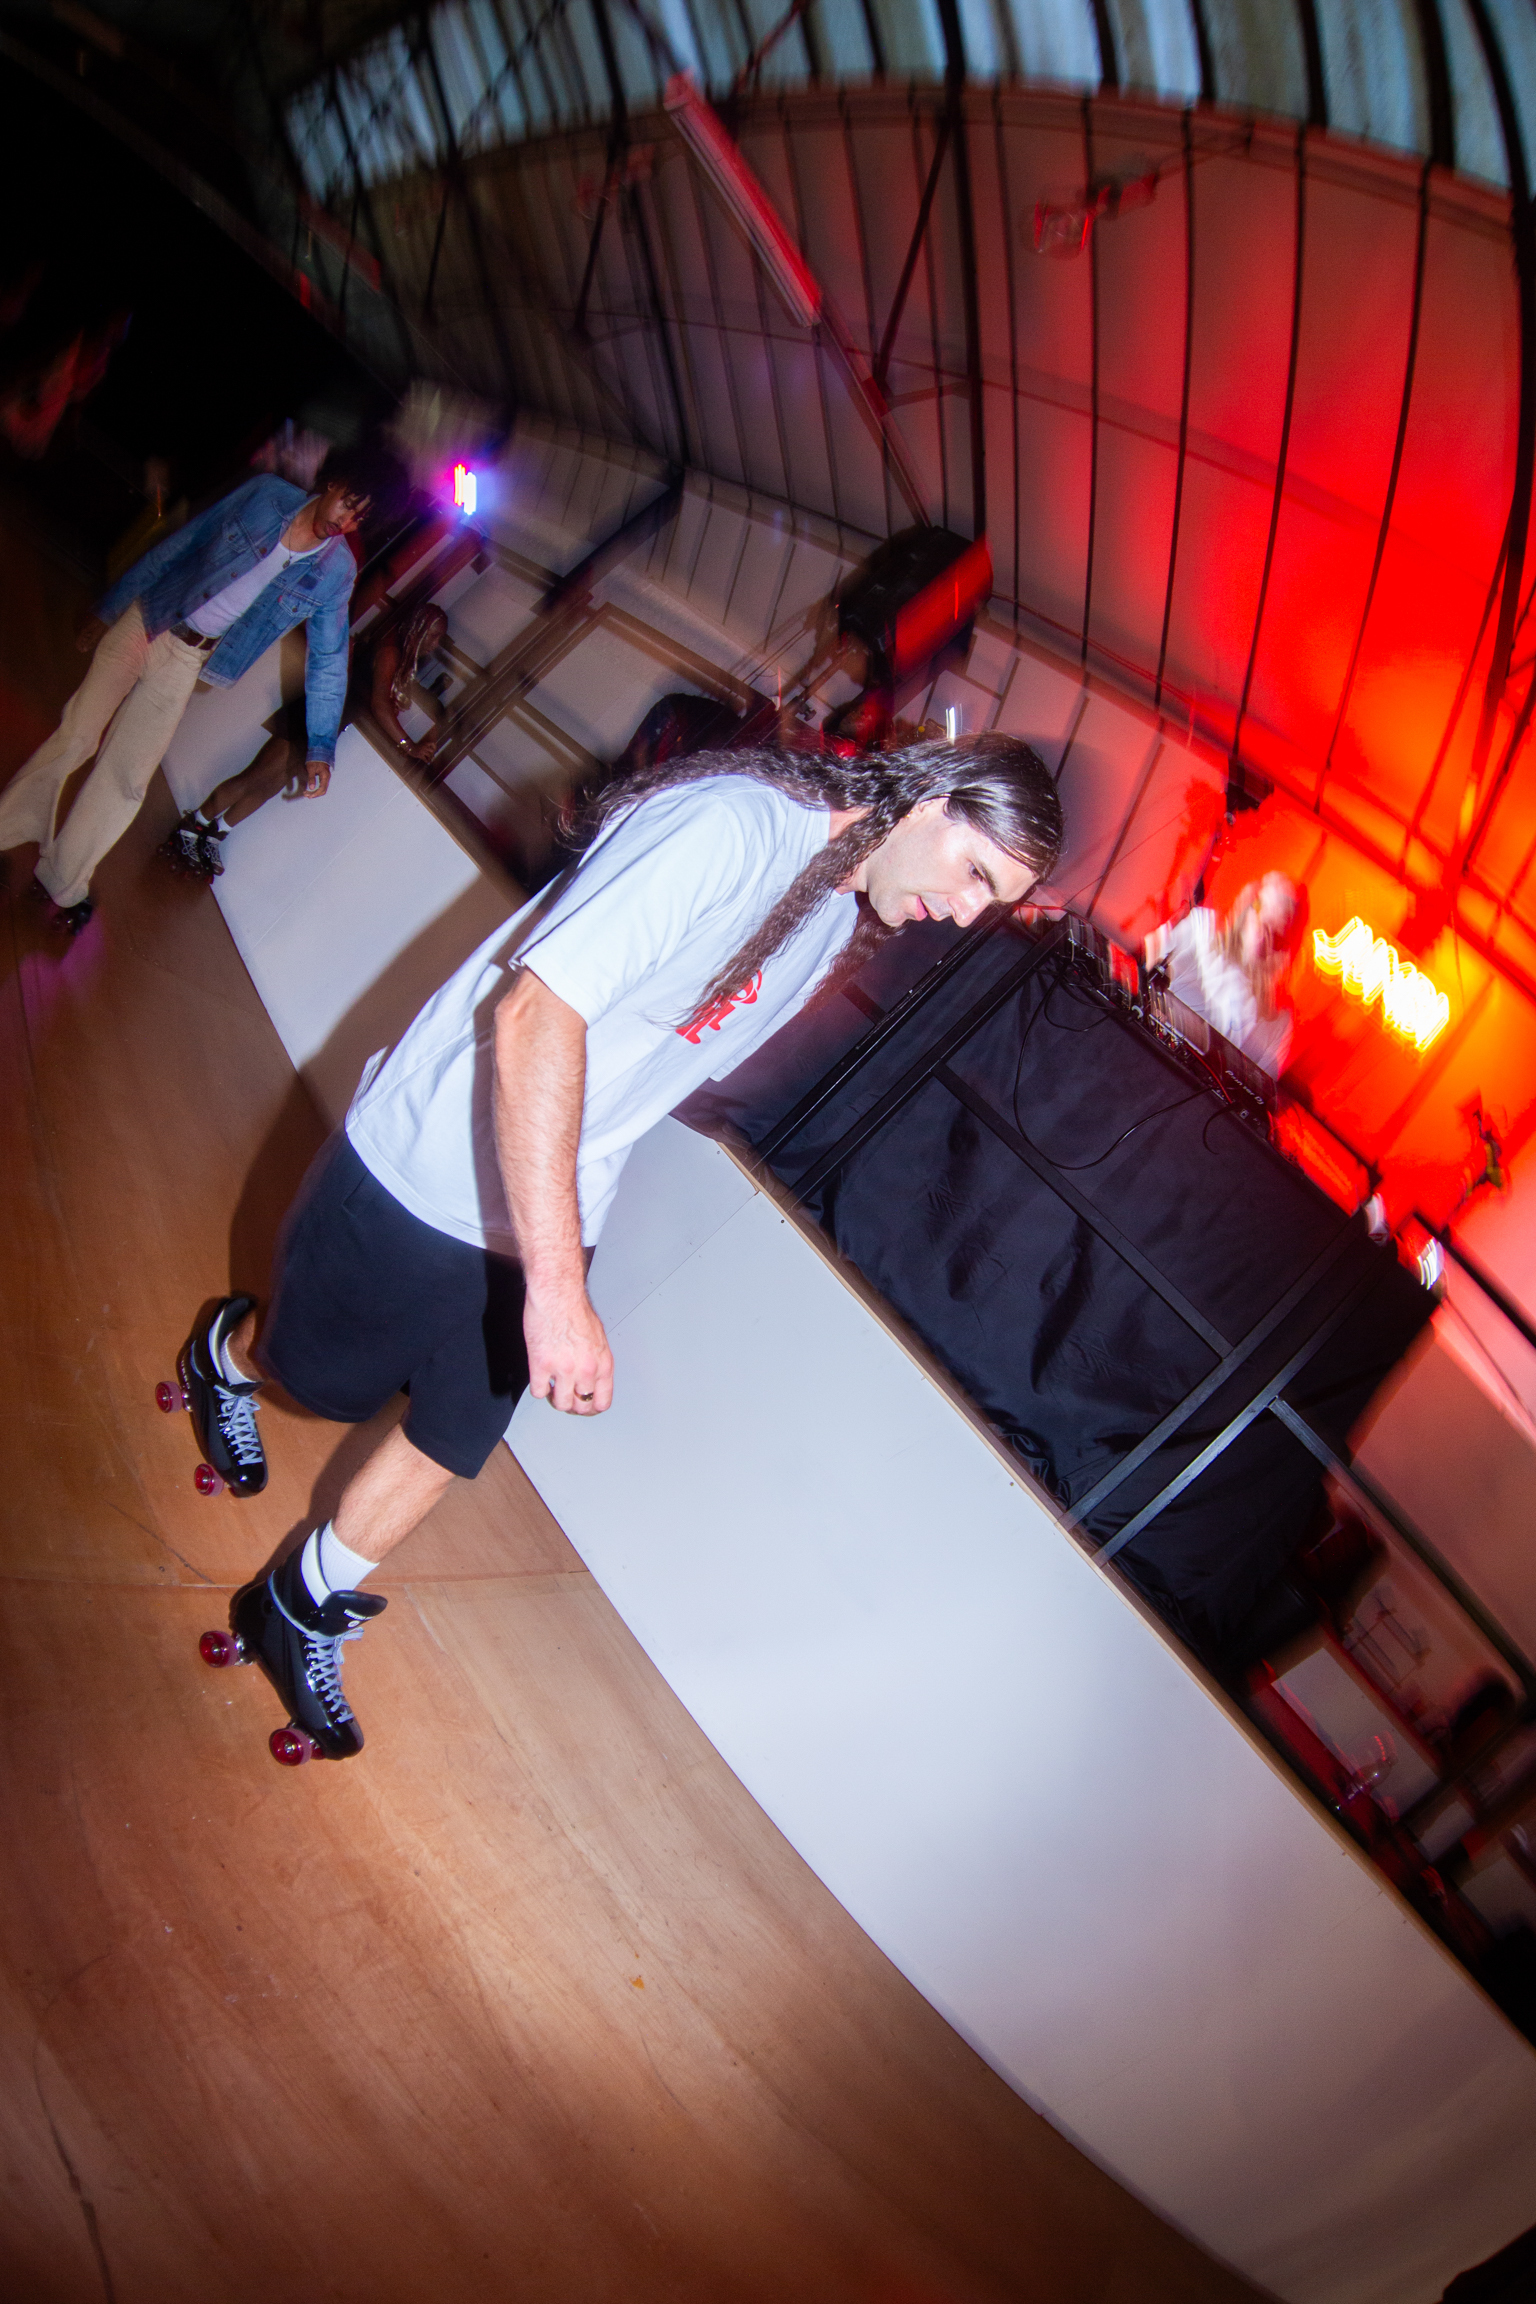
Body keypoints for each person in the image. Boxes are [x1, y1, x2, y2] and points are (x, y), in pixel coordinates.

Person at [182, 732, 1064, 1762]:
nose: (963, 913)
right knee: (310, 1380)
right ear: (930, 798)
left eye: (990, 904)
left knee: (454, 1432)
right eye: (973, 875)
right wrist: (558, 1291)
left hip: (549, 1197)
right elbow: (535, 1015)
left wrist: (563, 1246)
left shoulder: (830, 914)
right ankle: (226, 1357)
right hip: (427, 1164)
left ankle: (301, 1602)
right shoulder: (730, 829)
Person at [0, 438, 405, 930]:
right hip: (148, 621)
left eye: (359, 518)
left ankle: (61, 880)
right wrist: (109, 607)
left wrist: (320, 744)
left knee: (128, 777)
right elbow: (183, 542)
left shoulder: (335, 573)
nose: (344, 521)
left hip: (187, 657)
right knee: (79, 736)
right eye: (347, 504)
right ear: (333, 482)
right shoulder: (265, 496)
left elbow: (329, 657)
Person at [164, 602, 450, 878]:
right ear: (418, 627)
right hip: (314, 718)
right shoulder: (390, 650)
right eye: (434, 634)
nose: (435, 643)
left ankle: (214, 835)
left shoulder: (395, 655)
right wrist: (408, 745)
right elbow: (379, 705)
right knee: (255, 778)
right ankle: (192, 827)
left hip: (324, 727)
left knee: (269, 787)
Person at [1143, 871, 1305, 1078]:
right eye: (1261, 909)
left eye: (1275, 927)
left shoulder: (1276, 1024)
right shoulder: (1197, 935)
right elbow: (1136, 984)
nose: (1262, 928)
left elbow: (1250, 1096)